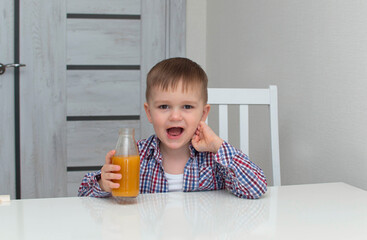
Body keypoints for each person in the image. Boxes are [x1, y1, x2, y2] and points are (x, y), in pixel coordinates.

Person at [78, 57, 267, 199]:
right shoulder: (137, 155)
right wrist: (104, 184)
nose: (175, 116)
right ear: (149, 113)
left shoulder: (214, 159)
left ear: (203, 114)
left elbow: (256, 188)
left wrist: (218, 145)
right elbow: (83, 196)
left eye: (187, 107)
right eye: (164, 107)